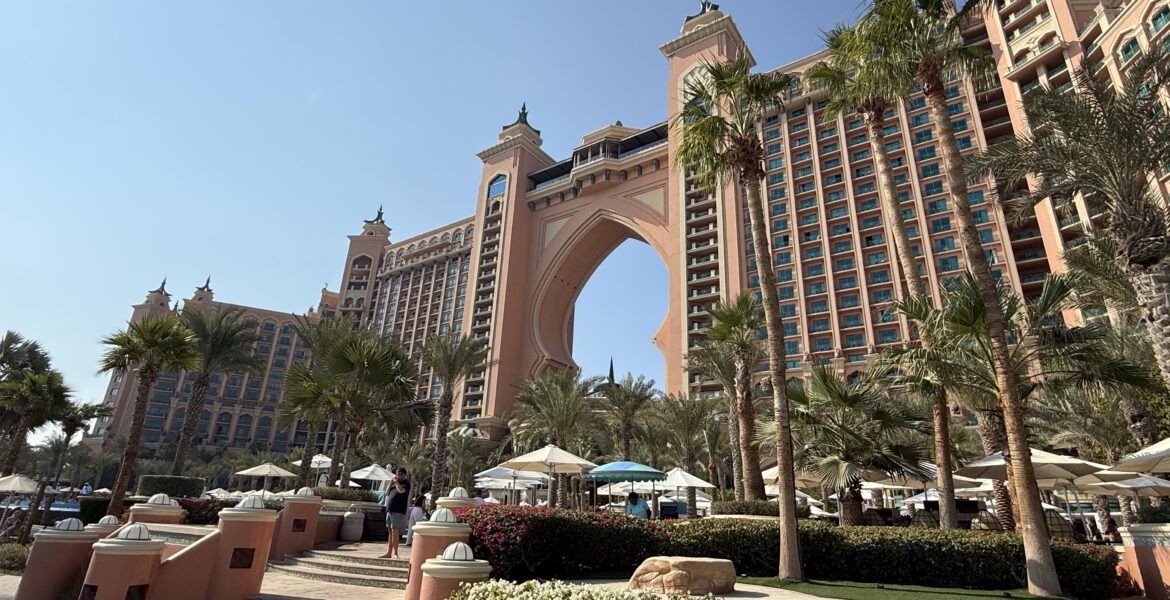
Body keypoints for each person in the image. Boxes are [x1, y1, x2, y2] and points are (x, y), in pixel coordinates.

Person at [379, 467, 410, 559]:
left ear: (404, 475)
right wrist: (390, 482)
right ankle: (388, 552)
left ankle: (396, 553)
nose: (398, 475)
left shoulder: (406, 484)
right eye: (397, 473)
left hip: (398, 510)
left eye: (400, 474)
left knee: (394, 530)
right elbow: (387, 493)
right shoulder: (394, 484)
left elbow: (401, 491)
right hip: (390, 509)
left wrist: (396, 482)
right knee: (390, 531)